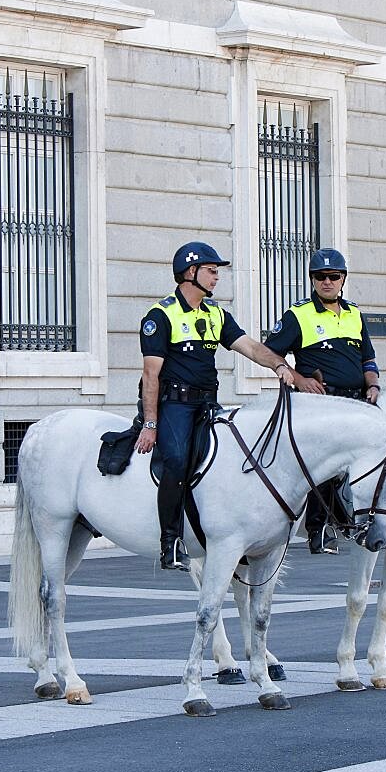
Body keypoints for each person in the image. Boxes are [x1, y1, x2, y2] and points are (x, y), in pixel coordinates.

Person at [135, 241, 294, 570]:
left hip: (208, 403)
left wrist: (279, 365)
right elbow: (151, 374)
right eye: (211, 271)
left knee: (236, 457)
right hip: (174, 406)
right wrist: (151, 423)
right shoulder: (161, 315)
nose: (216, 277)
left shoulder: (216, 314)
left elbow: (249, 346)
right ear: (190, 272)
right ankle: (171, 541)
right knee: (177, 460)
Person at [264, 248, 380, 554]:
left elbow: (368, 359)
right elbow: (270, 352)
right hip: (321, 403)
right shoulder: (298, 315)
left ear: (343, 279)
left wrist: (374, 385)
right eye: (320, 276)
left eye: (333, 276)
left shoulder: (354, 314)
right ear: (312, 279)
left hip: (356, 401)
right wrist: (297, 378)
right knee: (325, 466)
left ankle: (358, 520)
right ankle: (319, 529)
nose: (327, 282)